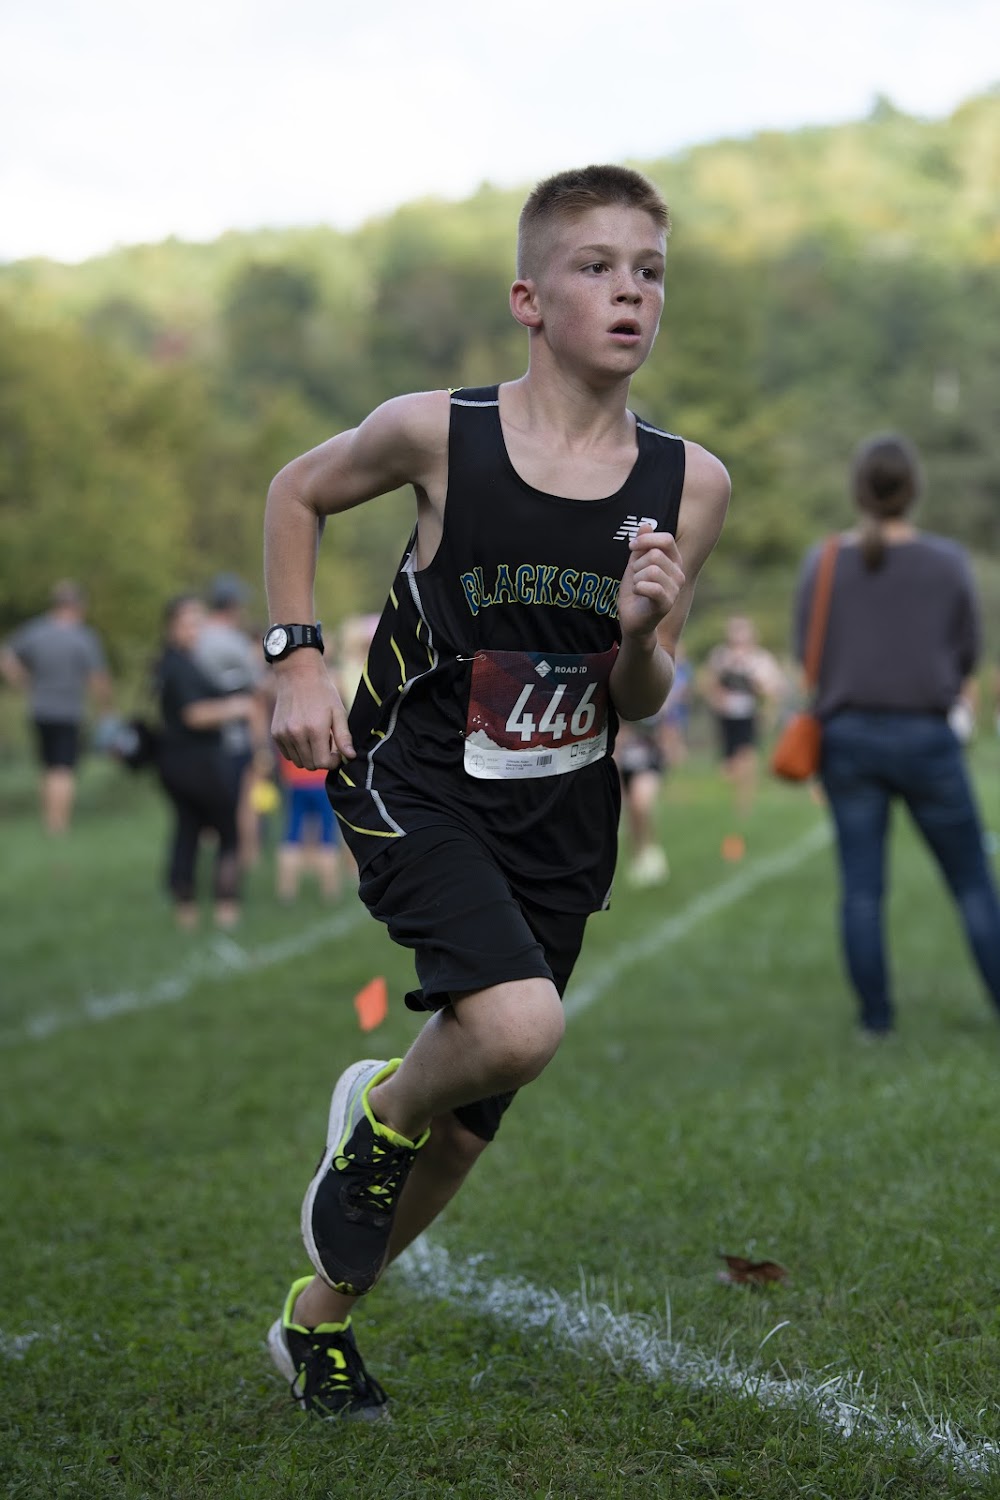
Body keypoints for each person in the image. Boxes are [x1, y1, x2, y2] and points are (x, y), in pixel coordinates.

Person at [262, 164, 731, 1419]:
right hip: (415, 781)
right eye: (597, 267)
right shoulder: (439, 433)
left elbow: (641, 698)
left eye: (650, 272)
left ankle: (318, 1324)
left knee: (469, 1127)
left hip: (563, 817)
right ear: (529, 299)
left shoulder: (690, 484)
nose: (630, 292)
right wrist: (297, 659)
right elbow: (296, 492)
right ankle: (379, 1107)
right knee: (518, 1027)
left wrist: (644, 634)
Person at [794, 433, 1000, 1037]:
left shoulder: (824, 562)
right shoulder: (947, 562)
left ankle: (876, 1023)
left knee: (861, 890)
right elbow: (968, 652)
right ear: (914, 489)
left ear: (858, 489)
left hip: (847, 740)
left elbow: (807, 654)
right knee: (971, 881)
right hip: (927, 736)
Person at [155, 595, 257, 930]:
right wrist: (237, 708)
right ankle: (227, 908)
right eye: (187, 623)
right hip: (197, 763)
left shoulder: (179, 662)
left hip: (180, 763)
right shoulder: (179, 666)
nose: (194, 630)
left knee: (188, 830)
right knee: (227, 831)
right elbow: (194, 715)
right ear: (171, 626)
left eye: (198, 623)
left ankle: (185, 912)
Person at [0, 580, 113, 834]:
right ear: (78, 606)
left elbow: (5, 656)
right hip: (69, 712)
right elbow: (98, 677)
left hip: (39, 709)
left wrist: (22, 681)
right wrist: (105, 708)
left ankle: (48, 818)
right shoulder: (83, 636)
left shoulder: (35, 631)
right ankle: (58, 824)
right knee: (63, 769)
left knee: (48, 766)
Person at [193, 573, 268, 870]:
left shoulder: (196, 637)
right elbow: (257, 690)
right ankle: (247, 857)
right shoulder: (235, 642)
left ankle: (208, 857)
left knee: (207, 801)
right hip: (236, 736)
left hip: (202, 736)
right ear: (233, 605)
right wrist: (261, 745)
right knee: (245, 801)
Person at [702, 616, 783, 860]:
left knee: (746, 760)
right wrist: (718, 698)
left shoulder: (760, 659)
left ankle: (744, 806)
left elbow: (772, 689)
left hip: (749, 716)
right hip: (727, 718)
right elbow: (709, 684)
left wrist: (764, 705)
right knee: (729, 767)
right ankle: (730, 802)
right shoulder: (721, 656)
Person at [275, 751, 344, 902]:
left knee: (292, 835)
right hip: (322, 779)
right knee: (327, 836)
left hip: (296, 780)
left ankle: (287, 892)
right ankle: (330, 892)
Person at [615, 716, 670, 886]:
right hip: (626, 764)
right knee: (631, 814)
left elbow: (664, 727)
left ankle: (650, 851)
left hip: (648, 762)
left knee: (640, 803)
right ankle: (638, 855)